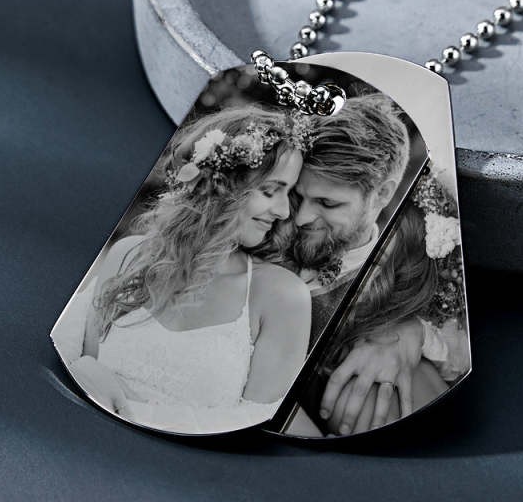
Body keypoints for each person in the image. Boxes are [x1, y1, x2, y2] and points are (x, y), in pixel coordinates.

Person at [51, 105, 314, 435]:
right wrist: (89, 371)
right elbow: (76, 364)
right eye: (270, 190)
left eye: (289, 193)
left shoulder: (281, 296)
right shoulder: (128, 256)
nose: (284, 210)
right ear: (223, 185)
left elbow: (256, 423)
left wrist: (130, 410)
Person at [285, 94, 470, 437]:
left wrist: (414, 334)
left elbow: (463, 345)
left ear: (383, 193)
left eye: (327, 203)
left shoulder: (420, 256)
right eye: (298, 196)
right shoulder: (263, 231)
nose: (301, 217)